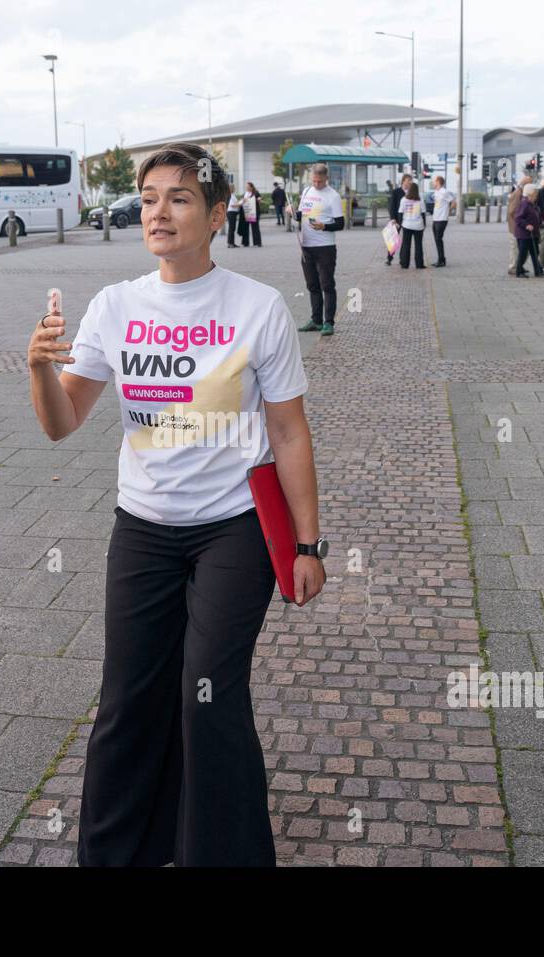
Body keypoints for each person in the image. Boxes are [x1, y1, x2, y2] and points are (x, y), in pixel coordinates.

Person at [27, 141, 325, 866]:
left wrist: (309, 545)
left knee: (210, 696)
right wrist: (39, 368)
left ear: (218, 214)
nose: (159, 211)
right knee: (128, 699)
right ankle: (115, 852)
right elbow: (62, 422)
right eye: (150, 197)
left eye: (181, 197)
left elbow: (287, 431)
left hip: (235, 529)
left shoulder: (257, 309)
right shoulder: (117, 306)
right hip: (145, 528)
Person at [288, 163, 344, 336]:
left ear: (326, 179)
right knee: (312, 285)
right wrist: (291, 212)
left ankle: (328, 322)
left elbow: (340, 224)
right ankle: (316, 319)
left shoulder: (333, 196)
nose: (316, 184)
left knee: (327, 284)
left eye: (319, 181)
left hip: (325, 247)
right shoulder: (306, 191)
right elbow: (301, 216)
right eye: (314, 181)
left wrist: (324, 226)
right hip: (306, 246)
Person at [512, 182, 544, 277]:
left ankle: (538, 271)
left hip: (533, 234)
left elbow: (535, 217)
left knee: (535, 253)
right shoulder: (524, 203)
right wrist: (526, 225)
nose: (537, 195)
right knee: (523, 254)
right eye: (535, 193)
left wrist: (542, 220)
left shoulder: (532, 204)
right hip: (524, 235)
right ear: (530, 193)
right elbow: (518, 218)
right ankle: (519, 271)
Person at [506, 174, 531, 275]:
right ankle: (513, 267)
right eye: (529, 184)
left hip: (519, 226)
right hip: (515, 227)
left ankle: (519, 265)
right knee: (515, 248)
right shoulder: (518, 193)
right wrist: (521, 220)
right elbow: (512, 211)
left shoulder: (522, 193)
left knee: (522, 248)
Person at [398, 181, 426, 269]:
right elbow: (423, 213)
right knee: (418, 245)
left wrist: (400, 223)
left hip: (406, 225)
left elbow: (400, 213)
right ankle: (419, 264)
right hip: (418, 225)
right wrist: (424, 224)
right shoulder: (420, 200)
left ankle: (405, 264)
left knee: (406, 244)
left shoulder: (403, 199)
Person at [430, 174, 456, 266]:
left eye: (434, 181)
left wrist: (448, 211)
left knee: (438, 239)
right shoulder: (436, 192)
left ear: (438, 182)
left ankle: (441, 260)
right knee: (437, 240)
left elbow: (453, 202)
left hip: (442, 219)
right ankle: (441, 259)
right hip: (435, 219)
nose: (433, 182)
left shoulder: (445, 192)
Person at [385, 174, 410, 265]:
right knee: (393, 239)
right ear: (403, 181)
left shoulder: (411, 192)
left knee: (406, 240)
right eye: (408, 181)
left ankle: (402, 259)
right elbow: (392, 206)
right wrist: (392, 218)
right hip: (397, 219)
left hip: (408, 219)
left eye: (410, 181)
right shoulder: (396, 192)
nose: (409, 183)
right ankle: (389, 258)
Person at [241, 181, 262, 247]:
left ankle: (257, 242)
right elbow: (242, 201)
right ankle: (245, 243)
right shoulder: (245, 193)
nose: (247, 188)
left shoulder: (256, 193)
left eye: (248, 186)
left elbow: (259, 199)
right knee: (245, 228)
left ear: (251, 187)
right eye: (246, 186)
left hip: (254, 213)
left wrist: (259, 199)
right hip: (247, 212)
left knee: (255, 228)